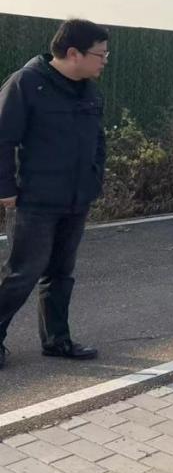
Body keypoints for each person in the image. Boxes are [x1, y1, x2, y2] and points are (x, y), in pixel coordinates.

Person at [0, 19, 109, 369]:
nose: (105, 61)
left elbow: (98, 141)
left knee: (61, 273)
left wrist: (94, 180)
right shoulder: (27, 83)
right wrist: (5, 188)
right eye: (100, 54)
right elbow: (3, 138)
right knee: (23, 273)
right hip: (34, 200)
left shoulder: (89, 91)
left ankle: (57, 339)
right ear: (74, 53)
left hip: (76, 198)